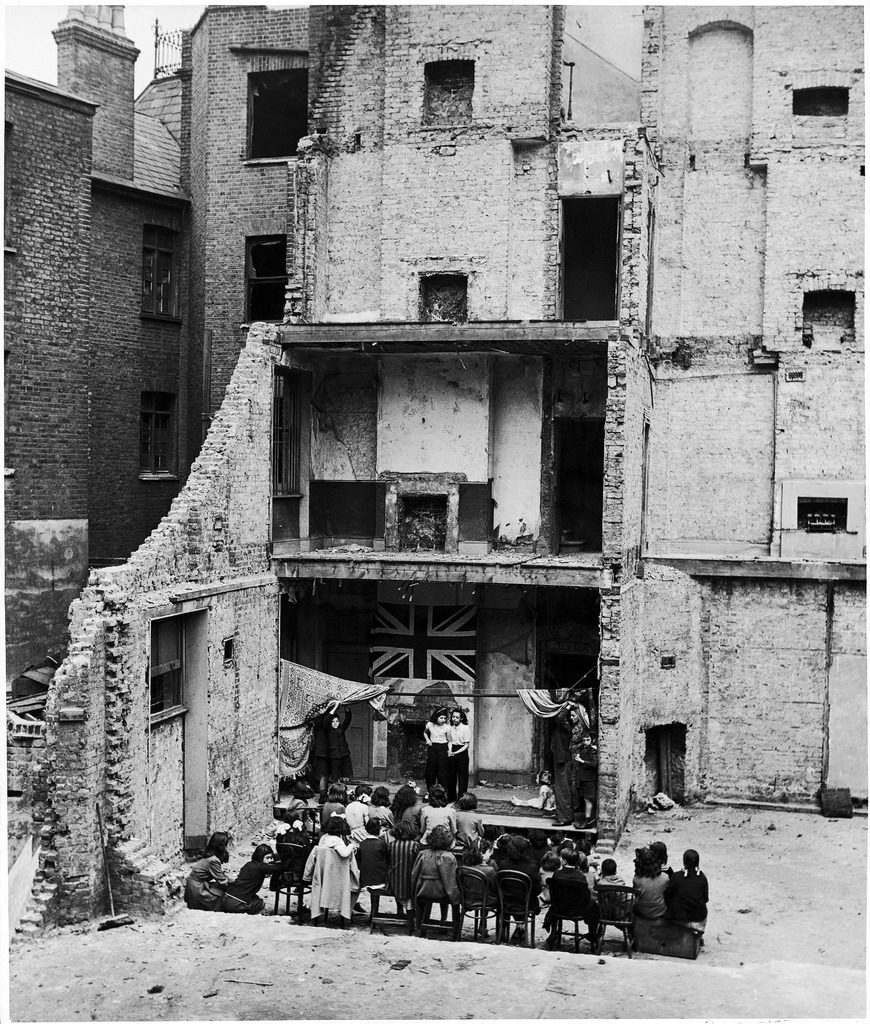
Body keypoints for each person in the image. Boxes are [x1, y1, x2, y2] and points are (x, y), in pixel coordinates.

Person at [303, 815, 359, 926]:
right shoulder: (337, 840)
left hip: (323, 875)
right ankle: (346, 912)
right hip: (337, 876)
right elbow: (344, 854)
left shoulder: (324, 838)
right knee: (356, 880)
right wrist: (352, 846)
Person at [544, 848, 601, 949]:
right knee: (594, 906)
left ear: (564, 861)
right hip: (577, 910)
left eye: (561, 858)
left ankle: (553, 933)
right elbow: (585, 896)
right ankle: (592, 933)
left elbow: (554, 894)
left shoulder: (557, 874)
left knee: (554, 906)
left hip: (559, 908)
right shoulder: (580, 876)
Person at [411, 824, 460, 934]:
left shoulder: (422, 854)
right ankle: (454, 929)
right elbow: (450, 882)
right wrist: (456, 897)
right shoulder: (448, 857)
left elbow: (414, 875)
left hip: (422, 889)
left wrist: (414, 891)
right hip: (441, 891)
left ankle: (421, 925)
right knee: (456, 898)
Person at [496, 835, 542, 944]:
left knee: (507, 898)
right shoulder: (532, 867)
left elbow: (498, 885)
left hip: (506, 902)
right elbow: (537, 890)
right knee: (525, 897)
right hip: (526, 903)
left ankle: (506, 932)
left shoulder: (503, 864)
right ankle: (520, 927)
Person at [221, 844, 280, 914]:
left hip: (225, 898)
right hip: (235, 903)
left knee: (254, 897)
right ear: (260, 857)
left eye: (271, 858)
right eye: (267, 858)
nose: (270, 860)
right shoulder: (261, 867)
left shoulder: (248, 864)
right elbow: (279, 867)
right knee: (260, 903)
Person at [312, 705, 353, 803]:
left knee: (343, 776)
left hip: (343, 756)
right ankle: (334, 795)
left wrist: (347, 709)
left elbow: (347, 720)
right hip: (334, 757)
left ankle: (340, 794)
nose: (335, 723)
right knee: (333, 776)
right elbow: (326, 721)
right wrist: (334, 708)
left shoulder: (341, 729)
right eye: (333, 722)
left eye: (337, 721)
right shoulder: (328, 729)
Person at [665, 849, 709, 937]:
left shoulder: (676, 876)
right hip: (698, 918)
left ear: (684, 862)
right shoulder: (702, 878)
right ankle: (697, 933)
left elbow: (668, 895)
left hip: (678, 918)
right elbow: (705, 899)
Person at [184, 832, 231, 911]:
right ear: (222, 846)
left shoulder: (210, 856)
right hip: (197, 889)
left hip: (194, 885)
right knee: (223, 897)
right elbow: (222, 882)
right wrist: (233, 882)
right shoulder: (213, 860)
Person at [385, 820, 420, 916]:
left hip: (393, 882)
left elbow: (388, 862)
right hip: (410, 883)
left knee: (396, 876)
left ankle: (399, 910)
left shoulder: (391, 845)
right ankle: (411, 921)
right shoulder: (415, 845)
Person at [549, 705, 574, 826]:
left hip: (563, 760)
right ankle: (562, 815)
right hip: (560, 759)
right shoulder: (562, 728)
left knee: (562, 789)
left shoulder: (566, 727)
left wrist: (567, 706)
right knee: (560, 788)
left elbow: (559, 718)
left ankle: (565, 818)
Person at [570, 721, 598, 829]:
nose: (586, 742)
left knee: (588, 799)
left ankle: (588, 820)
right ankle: (586, 819)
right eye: (584, 740)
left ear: (592, 740)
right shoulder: (583, 749)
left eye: (588, 740)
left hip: (589, 779)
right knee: (584, 799)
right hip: (583, 779)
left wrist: (581, 761)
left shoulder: (592, 751)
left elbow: (594, 764)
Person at [632, 846, 669, 919]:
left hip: (642, 911)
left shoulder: (636, 879)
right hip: (660, 911)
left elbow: (636, 895)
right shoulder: (665, 877)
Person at [357, 818, 390, 892]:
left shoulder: (362, 843)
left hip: (365, 878)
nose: (385, 833)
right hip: (380, 878)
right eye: (383, 831)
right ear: (377, 830)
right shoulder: (381, 844)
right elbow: (388, 860)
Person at [424, 708, 452, 795]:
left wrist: (450, 750)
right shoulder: (430, 725)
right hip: (433, 748)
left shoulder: (447, 727)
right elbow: (425, 733)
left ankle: (442, 793)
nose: (443, 720)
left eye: (444, 718)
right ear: (436, 717)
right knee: (431, 771)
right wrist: (428, 740)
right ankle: (429, 792)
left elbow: (449, 740)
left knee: (442, 772)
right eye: (441, 718)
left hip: (443, 748)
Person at [447, 707, 471, 802]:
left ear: (461, 718)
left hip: (462, 753)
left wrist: (456, 752)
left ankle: (462, 799)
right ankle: (451, 797)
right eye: (453, 717)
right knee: (451, 776)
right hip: (452, 750)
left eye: (457, 717)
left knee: (462, 777)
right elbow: (449, 741)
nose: (454, 719)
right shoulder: (450, 728)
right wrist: (450, 750)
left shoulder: (465, 728)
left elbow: (466, 745)